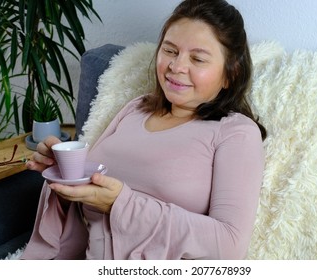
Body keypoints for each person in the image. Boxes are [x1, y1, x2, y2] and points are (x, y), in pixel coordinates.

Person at [22, 0, 266, 260]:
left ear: (231, 72)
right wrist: (64, 174)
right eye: (170, 51)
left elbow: (229, 245)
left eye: (197, 58)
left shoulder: (236, 132)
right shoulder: (135, 109)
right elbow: (85, 207)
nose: (176, 66)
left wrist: (121, 205)